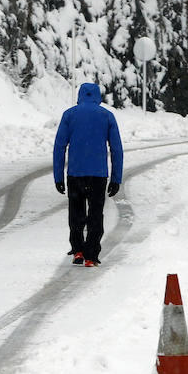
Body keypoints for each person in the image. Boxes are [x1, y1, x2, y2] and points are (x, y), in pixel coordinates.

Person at [53, 82, 123, 267]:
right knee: (95, 214)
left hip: (75, 173)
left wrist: (58, 176)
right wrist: (116, 178)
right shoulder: (107, 116)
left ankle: (78, 250)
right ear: (98, 96)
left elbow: (59, 147)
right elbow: (116, 149)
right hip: (98, 175)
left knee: (76, 213)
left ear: (80, 95)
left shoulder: (69, 115)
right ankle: (91, 255)